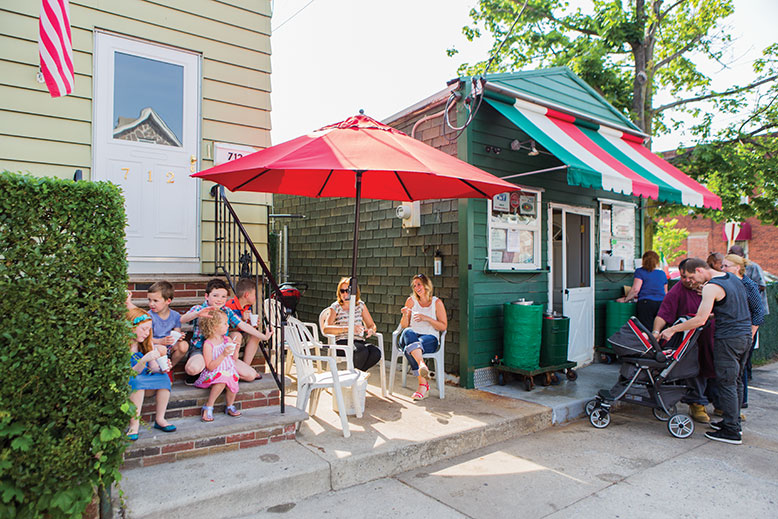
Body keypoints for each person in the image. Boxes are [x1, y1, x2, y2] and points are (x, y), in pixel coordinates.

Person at [659, 258, 752, 445]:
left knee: (726, 383)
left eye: (691, 276)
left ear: (700, 270)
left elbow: (700, 320)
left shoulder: (711, 287)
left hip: (727, 339)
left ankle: (732, 431)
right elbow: (729, 309)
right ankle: (730, 421)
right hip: (744, 337)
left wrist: (671, 329)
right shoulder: (732, 278)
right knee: (735, 381)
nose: (691, 282)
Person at [651, 259, 715, 423]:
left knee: (717, 370)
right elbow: (663, 313)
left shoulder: (713, 286)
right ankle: (696, 403)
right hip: (693, 341)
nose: (687, 281)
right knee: (696, 370)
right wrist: (656, 332)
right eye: (683, 277)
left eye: (689, 277)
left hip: (716, 337)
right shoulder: (678, 290)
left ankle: (722, 404)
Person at [182, 278, 271, 384]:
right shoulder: (199, 308)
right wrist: (197, 314)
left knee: (251, 375)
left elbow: (242, 325)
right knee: (193, 369)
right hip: (200, 350)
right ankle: (208, 373)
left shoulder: (227, 311)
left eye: (223, 296)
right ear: (207, 296)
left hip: (221, 351)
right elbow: (182, 319)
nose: (219, 299)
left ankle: (220, 374)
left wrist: (263, 336)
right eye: (215, 296)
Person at [721, 254, 765, 411]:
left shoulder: (748, 285)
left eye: (726, 266)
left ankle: (740, 405)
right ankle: (733, 409)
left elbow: (758, 311)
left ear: (737, 268)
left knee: (740, 371)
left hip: (744, 333)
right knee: (734, 373)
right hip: (734, 332)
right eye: (722, 266)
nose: (723, 269)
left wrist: (752, 332)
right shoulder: (728, 283)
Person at [126, 308, 176, 440]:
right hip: (129, 381)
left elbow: (153, 367)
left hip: (145, 376)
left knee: (164, 379)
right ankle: (134, 424)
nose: (147, 333)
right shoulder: (124, 347)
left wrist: (162, 369)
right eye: (143, 329)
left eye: (149, 329)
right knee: (136, 382)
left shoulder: (147, 344)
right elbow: (131, 373)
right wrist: (143, 360)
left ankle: (160, 419)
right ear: (131, 327)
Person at [398, 274, 447, 400]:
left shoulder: (436, 303)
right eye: (414, 285)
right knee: (408, 332)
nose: (416, 287)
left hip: (430, 338)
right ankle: (422, 367)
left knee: (410, 348)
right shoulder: (411, 301)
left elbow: (443, 326)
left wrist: (426, 318)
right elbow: (404, 325)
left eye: (419, 284)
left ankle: (422, 383)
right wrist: (404, 315)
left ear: (426, 285)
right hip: (411, 335)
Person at [323, 277, 382, 372]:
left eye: (347, 291)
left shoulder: (360, 306)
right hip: (342, 341)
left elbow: (371, 325)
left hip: (358, 340)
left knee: (376, 352)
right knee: (361, 351)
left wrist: (371, 330)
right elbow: (326, 329)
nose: (345, 294)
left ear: (354, 292)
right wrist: (348, 329)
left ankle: (356, 375)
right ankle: (356, 377)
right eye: (342, 291)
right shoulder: (336, 307)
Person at [194, 310, 242, 422]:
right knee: (222, 379)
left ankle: (229, 405)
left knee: (233, 377)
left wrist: (236, 349)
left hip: (228, 369)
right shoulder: (208, 344)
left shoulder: (227, 340)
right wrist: (223, 354)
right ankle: (208, 406)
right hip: (213, 372)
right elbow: (210, 366)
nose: (228, 325)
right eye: (225, 323)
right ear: (214, 326)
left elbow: (233, 359)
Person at [147, 281, 189, 376]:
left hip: (169, 345)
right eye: (149, 300)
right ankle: (161, 369)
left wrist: (179, 336)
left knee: (184, 345)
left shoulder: (175, 315)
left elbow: (176, 332)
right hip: (154, 346)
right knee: (162, 349)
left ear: (168, 301)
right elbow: (147, 338)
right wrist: (160, 341)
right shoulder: (149, 316)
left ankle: (169, 368)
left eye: (155, 301)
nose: (151, 304)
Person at [617, 250, 667, 330]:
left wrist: (626, 299)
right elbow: (665, 292)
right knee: (658, 329)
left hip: (646, 303)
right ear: (657, 261)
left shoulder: (640, 271)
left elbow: (636, 289)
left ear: (644, 260)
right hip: (661, 304)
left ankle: (647, 343)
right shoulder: (662, 273)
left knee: (646, 330)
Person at [224, 278, 263, 378]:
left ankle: (246, 366)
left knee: (255, 336)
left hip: (242, 332)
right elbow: (225, 328)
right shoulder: (229, 306)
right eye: (254, 295)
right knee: (237, 336)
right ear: (246, 295)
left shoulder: (247, 307)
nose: (256, 298)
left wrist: (251, 323)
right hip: (231, 334)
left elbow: (245, 326)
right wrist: (242, 319)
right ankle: (231, 366)